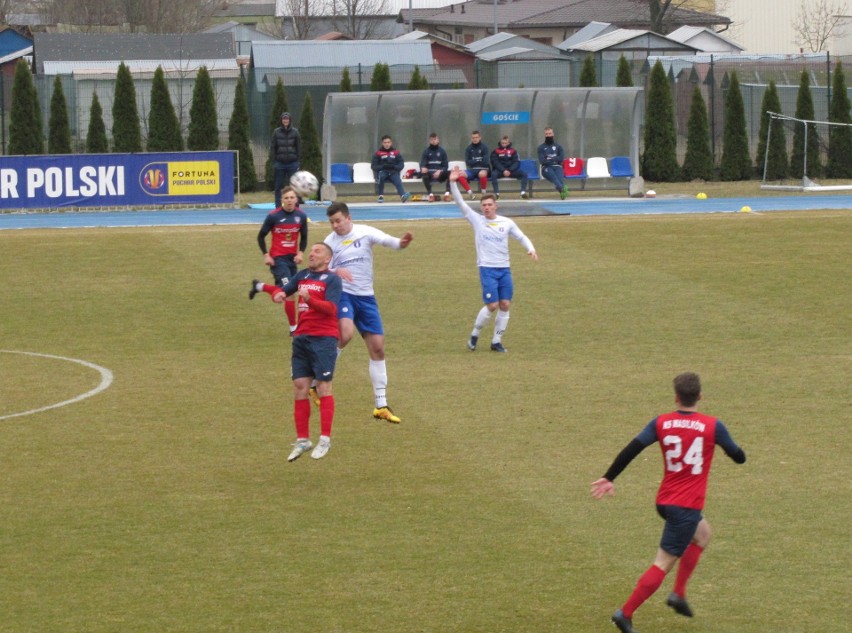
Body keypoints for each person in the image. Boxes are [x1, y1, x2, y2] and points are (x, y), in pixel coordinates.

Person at [591, 372, 747, 633]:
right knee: (663, 562)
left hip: (666, 500)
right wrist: (726, 445)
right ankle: (625, 613)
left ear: (676, 397)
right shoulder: (712, 426)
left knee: (703, 534)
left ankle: (678, 594)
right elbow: (739, 457)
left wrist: (609, 477)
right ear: (700, 396)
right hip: (685, 507)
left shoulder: (661, 422)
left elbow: (633, 448)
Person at [323, 201, 413, 423]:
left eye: (338, 221)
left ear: (348, 218)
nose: (335, 226)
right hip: (343, 294)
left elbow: (387, 240)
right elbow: (321, 269)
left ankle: (380, 404)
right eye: (331, 222)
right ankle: (321, 375)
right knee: (345, 334)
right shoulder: (329, 242)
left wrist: (401, 243)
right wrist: (336, 270)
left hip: (366, 297)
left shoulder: (364, 232)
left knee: (378, 348)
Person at [264, 242, 342, 461]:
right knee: (300, 387)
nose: (311, 254)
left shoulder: (333, 280)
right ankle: (303, 440)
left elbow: (332, 309)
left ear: (327, 259)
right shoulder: (303, 275)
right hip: (301, 338)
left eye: (317, 252)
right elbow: (284, 290)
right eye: (311, 251)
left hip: (324, 339)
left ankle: (325, 439)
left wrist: (310, 299)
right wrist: (278, 294)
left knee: (325, 386)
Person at [449, 167, 538, 353]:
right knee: (492, 305)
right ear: (481, 208)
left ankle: (496, 341)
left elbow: (520, 236)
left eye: (490, 205)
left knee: (505, 304)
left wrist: (530, 248)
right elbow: (459, 202)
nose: (487, 208)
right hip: (487, 269)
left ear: (495, 206)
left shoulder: (506, 223)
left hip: (504, 269)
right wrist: (452, 182)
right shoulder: (477, 220)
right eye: (484, 205)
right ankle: (475, 334)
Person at [249, 186, 308, 335]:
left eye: (292, 198)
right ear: (282, 200)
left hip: (292, 260)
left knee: (288, 290)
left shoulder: (301, 216)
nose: (289, 201)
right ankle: (293, 329)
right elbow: (260, 236)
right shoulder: (273, 216)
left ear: (296, 199)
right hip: (278, 259)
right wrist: (266, 255)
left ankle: (259, 286)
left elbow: (304, 237)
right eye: (286, 198)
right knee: (289, 292)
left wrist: (300, 253)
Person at [270, 112, 301, 209]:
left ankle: (295, 207)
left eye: (287, 119)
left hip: (292, 163)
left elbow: (299, 147)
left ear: (290, 120)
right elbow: (273, 147)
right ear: (281, 120)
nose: (285, 120)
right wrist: (275, 161)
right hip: (280, 164)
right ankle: (278, 208)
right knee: (278, 187)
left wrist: (297, 161)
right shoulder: (276, 132)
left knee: (295, 186)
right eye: (284, 119)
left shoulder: (295, 132)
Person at [371, 135, 411, 203]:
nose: (387, 144)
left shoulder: (396, 152)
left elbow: (401, 164)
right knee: (381, 177)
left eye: (388, 142)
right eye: (385, 142)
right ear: (382, 143)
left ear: (391, 143)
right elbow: (374, 166)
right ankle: (380, 196)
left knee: (397, 180)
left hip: (393, 172)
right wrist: (383, 167)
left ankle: (402, 196)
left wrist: (394, 167)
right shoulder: (378, 153)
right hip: (383, 172)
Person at [490, 135, 529, 199]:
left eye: (505, 143)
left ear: (508, 143)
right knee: (493, 174)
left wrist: (510, 170)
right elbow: (495, 162)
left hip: (511, 171)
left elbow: (516, 162)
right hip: (500, 171)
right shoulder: (495, 151)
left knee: (524, 174)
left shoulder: (513, 151)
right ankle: (496, 194)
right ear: (500, 142)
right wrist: (503, 170)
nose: (504, 144)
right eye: (503, 143)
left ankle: (523, 193)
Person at [537, 126, 570, 200]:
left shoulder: (559, 147)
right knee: (554, 177)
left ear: (553, 134)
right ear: (545, 135)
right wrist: (554, 159)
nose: (548, 135)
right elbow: (542, 161)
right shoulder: (541, 148)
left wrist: (550, 159)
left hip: (557, 166)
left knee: (559, 179)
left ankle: (562, 192)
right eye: (547, 134)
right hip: (546, 168)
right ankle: (562, 188)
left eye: (550, 133)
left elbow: (561, 159)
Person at [419, 132, 452, 202]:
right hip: (430, 173)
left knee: (451, 174)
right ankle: (430, 195)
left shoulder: (442, 151)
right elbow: (423, 164)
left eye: (435, 139)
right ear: (429, 141)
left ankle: (447, 194)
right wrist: (423, 168)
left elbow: (446, 166)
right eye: (432, 139)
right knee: (424, 175)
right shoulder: (426, 152)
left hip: (440, 174)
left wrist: (440, 171)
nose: (433, 141)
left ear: (438, 140)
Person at [464, 130, 490, 198]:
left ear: (480, 137)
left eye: (476, 137)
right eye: (473, 138)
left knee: (482, 174)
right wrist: (479, 160)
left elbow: (485, 162)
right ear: (471, 138)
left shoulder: (484, 147)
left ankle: (483, 193)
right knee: (461, 174)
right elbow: (467, 162)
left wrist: (474, 161)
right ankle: (470, 193)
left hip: (483, 169)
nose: (475, 139)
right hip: (472, 169)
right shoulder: (468, 148)